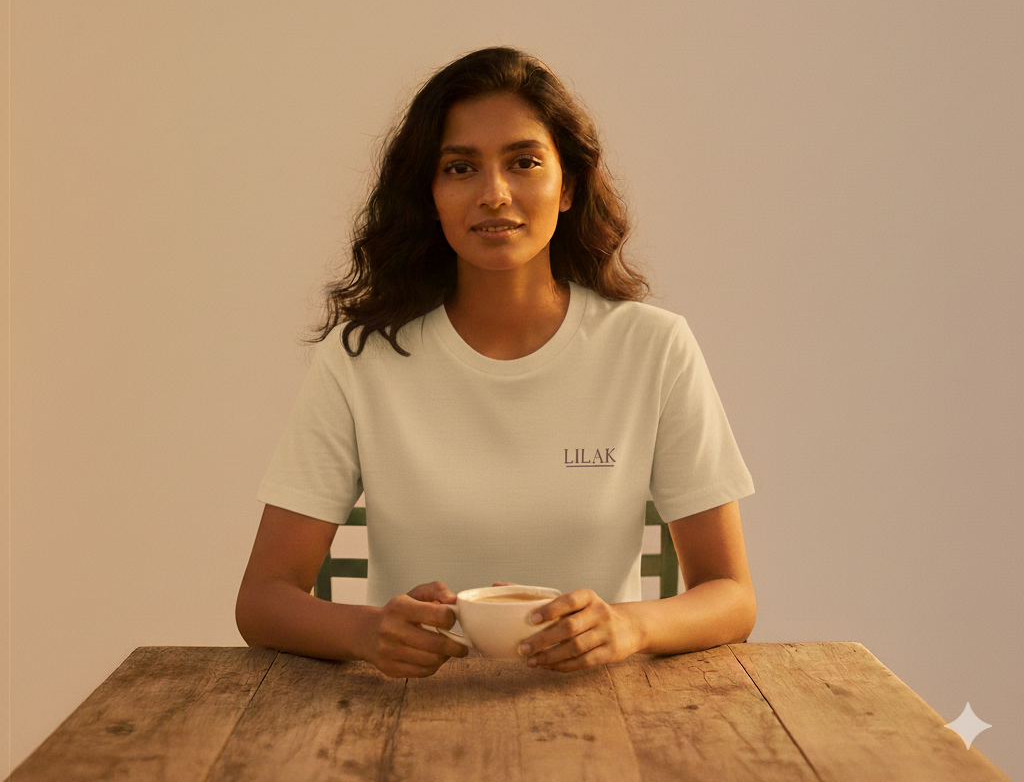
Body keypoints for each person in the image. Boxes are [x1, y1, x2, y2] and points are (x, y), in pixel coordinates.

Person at [235, 46, 756, 678]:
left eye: (525, 162)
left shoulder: (653, 348)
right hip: (404, 719)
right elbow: (263, 599)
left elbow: (731, 594)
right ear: (429, 194)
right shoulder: (360, 359)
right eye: (460, 168)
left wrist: (630, 626)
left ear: (569, 187)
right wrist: (368, 631)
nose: (494, 194)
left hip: (601, 716)